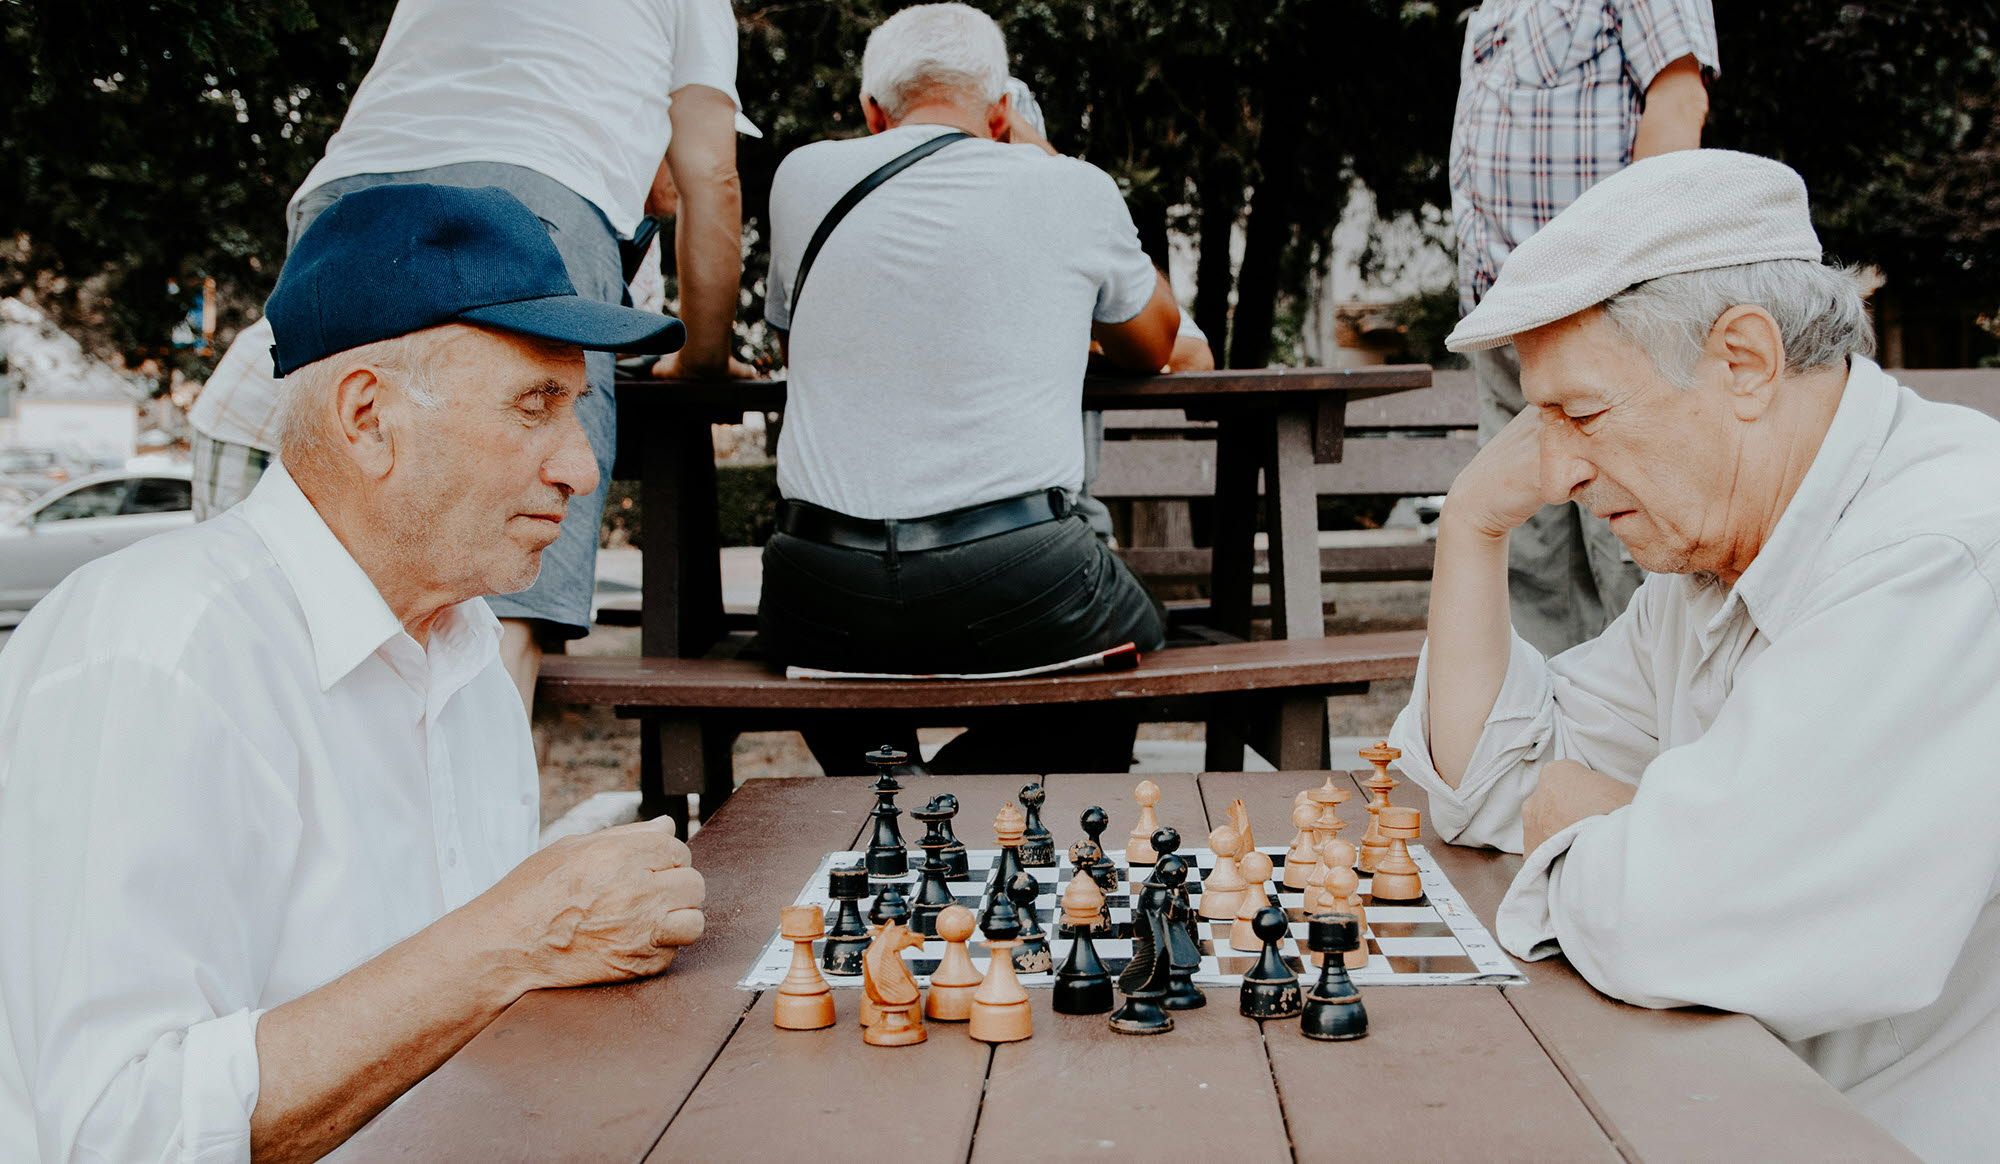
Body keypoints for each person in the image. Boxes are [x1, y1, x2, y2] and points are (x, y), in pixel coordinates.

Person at [0, 184, 709, 1161]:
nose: (582, 471)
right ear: (367, 416)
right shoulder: (161, 655)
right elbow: (123, 1128)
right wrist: (512, 938)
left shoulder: (459, 650)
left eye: (576, 409)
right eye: (535, 405)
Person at [1387, 150, 2000, 1161]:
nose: (1560, 470)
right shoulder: (1712, 558)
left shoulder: (1934, 554)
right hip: (1729, 1104)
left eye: (1580, 414)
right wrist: (1467, 529)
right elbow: (1489, 789)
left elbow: (1676, 924)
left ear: (1742, 363)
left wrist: (1603, 820)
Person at [188, 0, 756, 711]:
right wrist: (704, 358)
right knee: (505, 579)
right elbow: (714, 177)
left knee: (329, 569)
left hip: (349, 193)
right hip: (534, 187)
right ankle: (475, 818)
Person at [757, 3, 1181, 775]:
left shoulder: (800, 176)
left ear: (870, 112)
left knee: (818, 636)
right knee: (1133, 643)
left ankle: (883, 780)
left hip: (817, 584)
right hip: (1018, 572)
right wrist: (1045, 155)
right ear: (1000, 113)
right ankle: (947, 795)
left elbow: (797, 338)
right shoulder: (1067, 186)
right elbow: (1152, 343)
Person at [1452, 0, 1718, 656]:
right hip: (1505, 319)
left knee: (1630, 552)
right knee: (1530, 558)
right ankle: (1544, 746)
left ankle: (1655, 744)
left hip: (1602, 313)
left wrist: (1627, 280)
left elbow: (1679, 100)